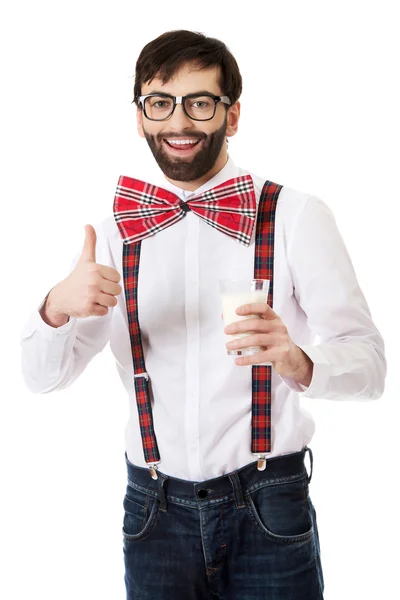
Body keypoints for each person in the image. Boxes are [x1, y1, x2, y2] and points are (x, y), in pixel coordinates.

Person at [20, 29, 386, 600]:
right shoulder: (115, 231)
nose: (179, 121)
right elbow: (42, 379)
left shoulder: (297, 216)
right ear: (140, 117)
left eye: (201, 102)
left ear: (231, 115)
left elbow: (370, 366)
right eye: (160, 103)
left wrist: (296, 357)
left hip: (270, 505)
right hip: (152, 512)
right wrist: (54, 308)